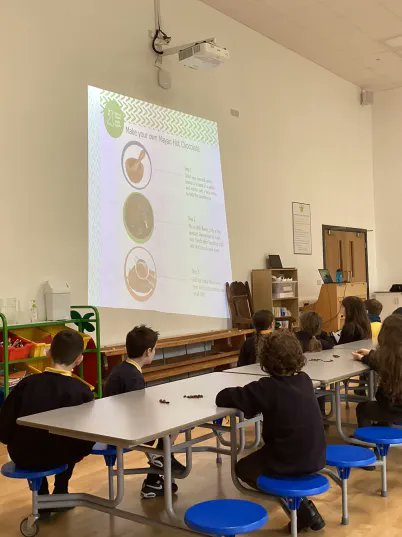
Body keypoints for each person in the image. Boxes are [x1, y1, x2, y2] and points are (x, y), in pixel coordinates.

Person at [216, 331, 326, 533]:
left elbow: (225, 397)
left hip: (287, 457)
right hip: (316, 454)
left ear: (265, 359)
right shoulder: (305, 379)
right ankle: (304, 509)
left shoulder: (267, 387)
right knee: (271, 459)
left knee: (243, 468)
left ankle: (301, 508)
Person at [0, 330, 94, 507]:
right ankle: (61, 489)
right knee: (70, 441)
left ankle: (42, 494)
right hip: (61, 455)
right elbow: (86, 437)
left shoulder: (26, 383)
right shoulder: (82, 391)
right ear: (79, 359)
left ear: (49, 352)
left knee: (37, 439)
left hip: (22, 454)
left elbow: (5, 424)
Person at [104, 325, 185, 499]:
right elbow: (137, 411)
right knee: (175, 422)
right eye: (154, 349)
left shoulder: (122, 369)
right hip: (125, 428)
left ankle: (153, 480)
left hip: (115, 422)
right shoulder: (134, 376)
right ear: (148, 351)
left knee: (167, 418)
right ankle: (161, 458)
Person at [353, 314, 402, 427]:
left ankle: (366, 443)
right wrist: (370, 354)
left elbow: (377, 362)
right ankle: (383, 432)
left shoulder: (387, 359)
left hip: (393, 409)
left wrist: (363, 357)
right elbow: (378, 360)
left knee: (362, 409)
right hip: (396, 408)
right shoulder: (392, 357)